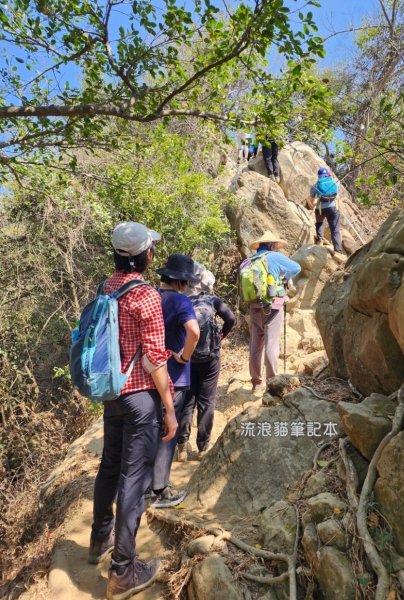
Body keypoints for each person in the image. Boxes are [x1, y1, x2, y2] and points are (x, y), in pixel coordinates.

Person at [89, 222, 177, 600]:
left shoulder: (105, 288)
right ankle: (124, 570)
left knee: (109, 466)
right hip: (141, 400)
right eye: (151, 248)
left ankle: (98, 540)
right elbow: (156, 360)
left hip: (113, 394)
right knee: (133, 479)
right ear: (145, 255)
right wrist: (170, 410)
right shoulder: (145, 296)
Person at [144, 254, 200, 508]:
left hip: (147, 375)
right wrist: (185, 356)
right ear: (184, 281)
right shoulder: (180, 300)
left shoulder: (151, 297)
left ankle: (144, 487)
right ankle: (161, 490)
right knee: (169, 431)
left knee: (150, 431)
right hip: (174, 378)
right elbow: (193, 332)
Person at [176, 263, 236, 461]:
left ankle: (182, 447)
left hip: (187, 358)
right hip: (210, 357)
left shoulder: (181, 302)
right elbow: (231, 319)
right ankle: (203, 448)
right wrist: (220, 337)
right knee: (207, 401)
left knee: (187, 401)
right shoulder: (212, 300)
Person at [245, 231, 301, 391]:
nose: (277, 247)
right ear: (271, 245)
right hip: (273, 305)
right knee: (272, 343)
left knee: (256, 344)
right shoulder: (274, 257)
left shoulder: (250, 260)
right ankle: (272, 383)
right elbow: (296, 268)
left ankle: (256, 383)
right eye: (275, 245)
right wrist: (284, 278)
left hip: (254, 305)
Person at [310, 167, 344, 256]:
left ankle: (320, 240)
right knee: (335, 229)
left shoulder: (316, 185)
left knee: (319, 223)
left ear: (319, 176)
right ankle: (338, 250)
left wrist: (313, 205)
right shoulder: (335, 181)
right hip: (333, 207)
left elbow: (312, 200)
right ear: (328, 174)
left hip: (320, 208)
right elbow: (337, 191)